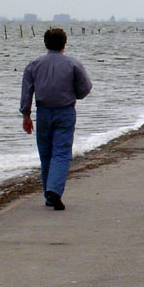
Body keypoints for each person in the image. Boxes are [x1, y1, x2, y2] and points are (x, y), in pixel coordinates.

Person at [20, 28, 92, 210]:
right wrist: (73, 94)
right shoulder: (73, 64)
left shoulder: (34, 64)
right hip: (65, 111)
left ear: (46, 43)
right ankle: (54, 191)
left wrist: (26, 115)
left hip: (43, 112)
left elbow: (26, 92)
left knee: (46, 155)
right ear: (64, 44)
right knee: (61, 153)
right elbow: (85, 88)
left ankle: (49, 193)